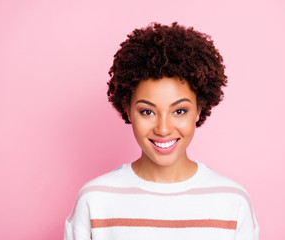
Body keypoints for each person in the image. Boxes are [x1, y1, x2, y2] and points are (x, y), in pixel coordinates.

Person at [64, 22, 259, 240]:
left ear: (199, 110)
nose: (163, 129)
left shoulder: (232, 202)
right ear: (128, 110)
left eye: (179, 111)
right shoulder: (95, 201)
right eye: (147, 112)